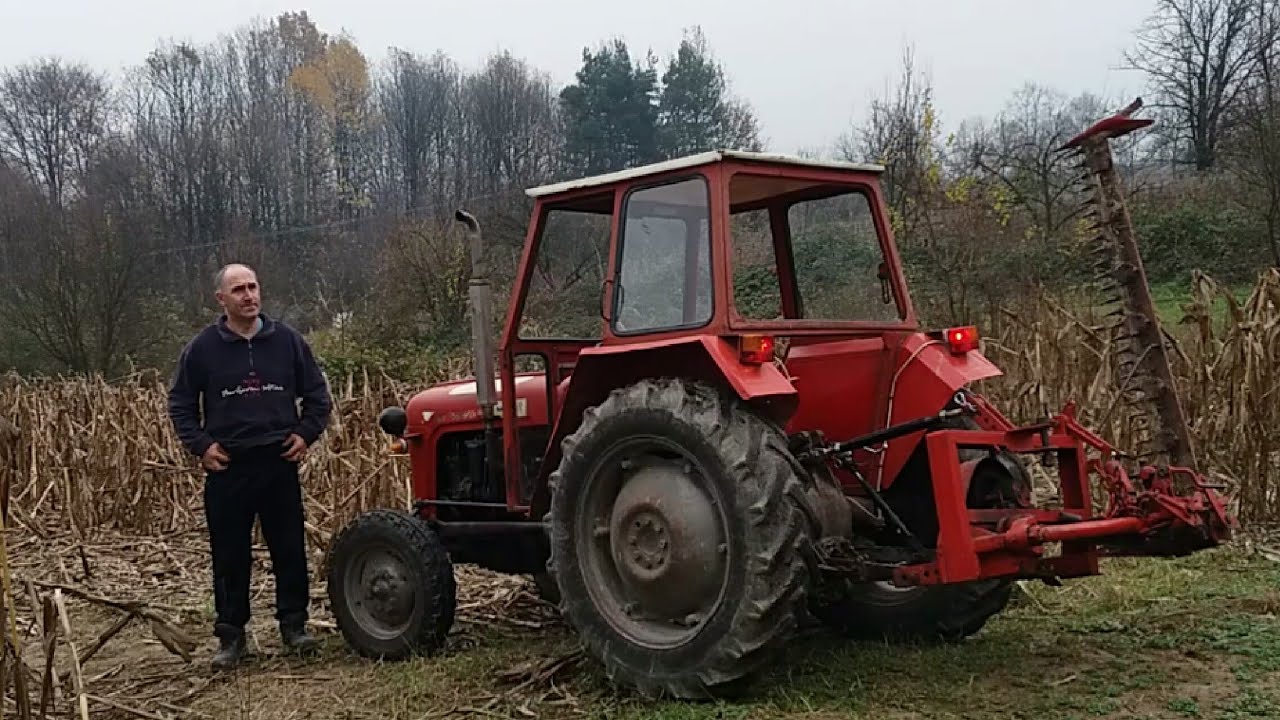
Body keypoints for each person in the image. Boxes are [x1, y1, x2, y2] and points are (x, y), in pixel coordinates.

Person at [167, 263, 332, 670]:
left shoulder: (288, 342)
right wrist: (201, 446)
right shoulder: (202, 349)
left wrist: (306, 433)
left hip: (278, 463)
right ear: (221, 299)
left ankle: (294, 626)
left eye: (253, 287)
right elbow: (181, 404)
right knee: (230, 555)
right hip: (228, 469)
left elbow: (317, 395)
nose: (249, 296)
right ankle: (231, 636)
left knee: (289, 549)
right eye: (238, 290)